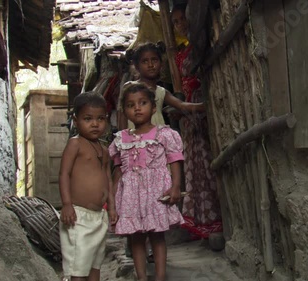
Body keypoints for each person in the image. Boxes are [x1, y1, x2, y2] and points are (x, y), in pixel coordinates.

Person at [109, 83, 184, 281]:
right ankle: (141, 277)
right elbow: (118, 172)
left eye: (142, 103)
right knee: (136, 237)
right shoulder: (120, 139)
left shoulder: (164, 134)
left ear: (153, 107)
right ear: (124, 111)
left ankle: (160, 277)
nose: (137, 108)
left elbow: (175, 161)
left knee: (157, 236)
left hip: (156, 194)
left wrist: (176, 186)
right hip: (131, 196)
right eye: (131, 105)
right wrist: (113, 202)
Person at [171, 4, 222, 238]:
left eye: (183, 19)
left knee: (208, 162)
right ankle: (202, 219)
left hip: (202, 110)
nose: (180, 24)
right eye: (176, 22)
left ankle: (215, 218)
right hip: (190, 115)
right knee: (196, 165)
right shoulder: (181, 54)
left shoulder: (198, 48)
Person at [58, 92, 118, 281]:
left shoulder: (104, 149)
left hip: (99, 217)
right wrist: (66, 204)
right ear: (76, 120)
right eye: (88, 118)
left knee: (94, 265)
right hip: (78, 216)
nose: (95, 124)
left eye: (100, 118)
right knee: (78, 268)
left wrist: (112, 207)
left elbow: (107, 178)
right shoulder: (75, 144)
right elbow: (64, 174)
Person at [117, 42, 204, 130]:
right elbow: (122, 115)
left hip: (158, 139)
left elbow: (181, 105)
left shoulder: (161, 92)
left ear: (161, 64)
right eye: (145, 61)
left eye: (154, 60)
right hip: (135, 139)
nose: (150, 65)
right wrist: (122, 139)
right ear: (137, 66)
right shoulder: (130, 88)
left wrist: (204, 106)